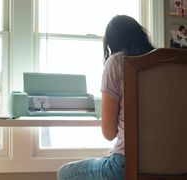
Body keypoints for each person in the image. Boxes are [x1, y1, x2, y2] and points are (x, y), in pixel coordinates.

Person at [57, 15, 155, 180]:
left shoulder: (117, 62)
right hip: (173, 164)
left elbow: (108, 132)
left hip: (126, 164)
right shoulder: (162, 65)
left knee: (65, 173)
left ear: (112, 41)